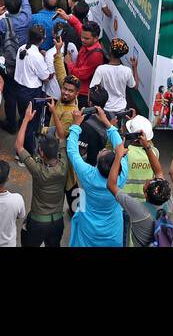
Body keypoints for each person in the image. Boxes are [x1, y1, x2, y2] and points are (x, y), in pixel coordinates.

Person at [66, 105, 124, 246]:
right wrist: (108, 123)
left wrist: (76, 125)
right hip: (112, 231)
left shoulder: (87, 173)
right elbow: (119, 146)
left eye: (102, 152)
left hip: (88, 228)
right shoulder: (121, 176)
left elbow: (72, 152)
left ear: (97, 163)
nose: (103, 149)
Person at [14, 101, 67, 247]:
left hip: (37, 222)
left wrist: (26, 119)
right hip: (57, 221)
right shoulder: (64, 166)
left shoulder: (37, 169)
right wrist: (54, 112)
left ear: (41, 152)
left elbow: (18, 146)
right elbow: (62, 136)